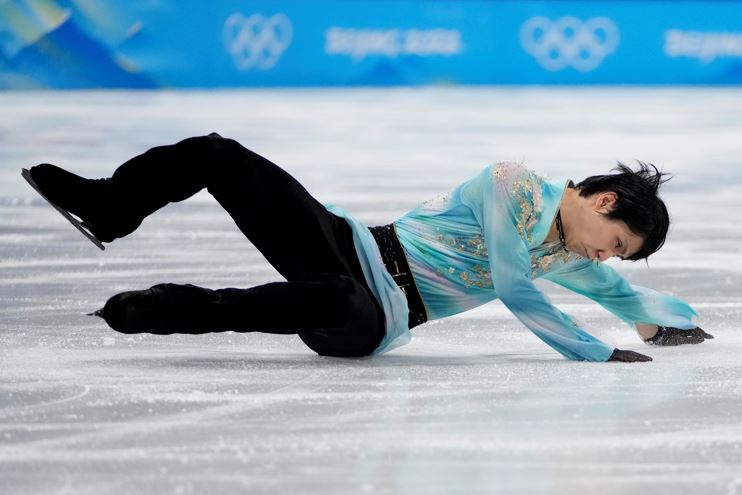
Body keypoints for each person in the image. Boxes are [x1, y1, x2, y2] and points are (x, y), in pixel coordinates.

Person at [22, 133, 712, 363]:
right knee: (220, 155)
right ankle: (109, 207)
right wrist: (592, 351)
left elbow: (618, 293)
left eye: (617, 255)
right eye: (614, 244)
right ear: (603, 202)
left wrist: (660, 324)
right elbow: (511, 281)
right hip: (350, 244)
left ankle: (176, 307)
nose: (603, 259)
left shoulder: (568, 251)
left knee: (333, 298)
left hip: (376, 317)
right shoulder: (511, 186)